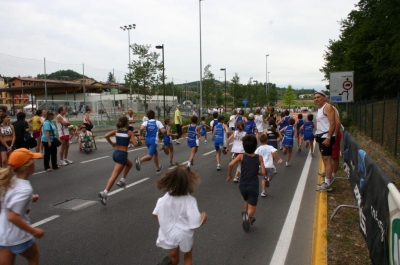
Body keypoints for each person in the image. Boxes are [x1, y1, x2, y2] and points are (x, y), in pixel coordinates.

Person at [153, 165, 207, 265]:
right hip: (184, 234)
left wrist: (164, 224)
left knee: (174, 259)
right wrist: (203, 219)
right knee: (187, 258)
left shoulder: (163, 200)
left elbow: (156, 214)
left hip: (169, 234)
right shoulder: (190, 200)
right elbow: (195, 223)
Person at [0, 148, 44, 265]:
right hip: (18, 235)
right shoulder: (24, 189)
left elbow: (7, 200)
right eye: (33, 161)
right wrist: (34, 231)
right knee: (34, 257)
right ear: (28, 166)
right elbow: (12, 216)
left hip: (3, 233)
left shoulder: (10, 180)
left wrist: (30, 198)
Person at [227, 135, 266, 232]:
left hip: (243, 185)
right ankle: (247, 217)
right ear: (255, 146)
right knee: (252, 208)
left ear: (244, 147)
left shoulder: (241, 156)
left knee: (246, 200)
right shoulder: (259, 157)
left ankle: (246, 215)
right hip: (253, 185)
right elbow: (264, 172)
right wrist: (258, 172)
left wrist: (229, 175)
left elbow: (231, 164)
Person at [98, 116, 137, 206]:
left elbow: (106, 136)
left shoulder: (116, 131)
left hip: (116, 154)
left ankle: (122, 180)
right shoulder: (130, 133)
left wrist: (112, 143)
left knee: (129, 164)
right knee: (114, 176)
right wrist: (130, 141)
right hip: (122, 155)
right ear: (126, 123)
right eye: (128, 122)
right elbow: (135, 144)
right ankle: (105, 193)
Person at [314, 91, 336, 192]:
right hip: (321, 136)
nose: (316, 99)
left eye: (318, 97)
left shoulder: (328, 107)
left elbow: (333, 123)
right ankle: (326, 180)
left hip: (326, 136)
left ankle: (327, 183)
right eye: (315, 98)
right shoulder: (320, 109)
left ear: (324, 98)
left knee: (327, 159)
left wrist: (328, 137)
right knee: (324, 158)